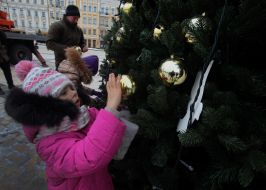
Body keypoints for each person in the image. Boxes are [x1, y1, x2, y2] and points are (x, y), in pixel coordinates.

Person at [5, 60, 126, 190]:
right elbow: (87, 157)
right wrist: (111, 107)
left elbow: (104, 123)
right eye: (63, 92)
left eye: (71, 87)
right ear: (48, 106)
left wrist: (117, 106)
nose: (73, 92)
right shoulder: (48, 143)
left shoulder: (83, 115)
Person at [46, 5, 88, 70]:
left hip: (75, 63)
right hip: (62, 64)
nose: (76, 21)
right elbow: (49, 44)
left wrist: (84, 47)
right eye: (74, 18)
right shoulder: (57, 26)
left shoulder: (79, 30)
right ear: (67, 16)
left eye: (77, 18)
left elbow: (81, 43)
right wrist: (70, 50)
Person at [0, 30, 15, 95]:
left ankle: (11, 86)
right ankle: (10, 86)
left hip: (3, 55)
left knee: (7, 71)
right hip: (3, 55)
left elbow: (5, 43)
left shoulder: (1, 33)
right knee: (7, 71)